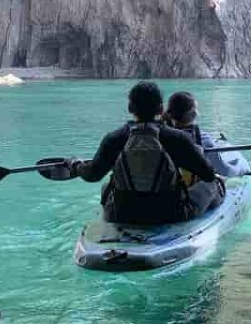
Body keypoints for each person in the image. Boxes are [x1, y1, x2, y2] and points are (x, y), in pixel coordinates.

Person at [70, 81, 218, 225]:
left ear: (130, 108)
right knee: (212, 184)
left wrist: (76, 167)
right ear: (161, 109)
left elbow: (92, 175)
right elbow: (208, 174)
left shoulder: (114, 138)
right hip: (171, 214)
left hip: (121, 214)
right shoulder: (177, 138)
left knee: (105, 187)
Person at [163, 90, 228, 216]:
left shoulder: (159, 135)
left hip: (166, 192)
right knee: (215, 182)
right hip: (185, 199)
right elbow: (220, 169)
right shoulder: (203, 139)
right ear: (193, 113)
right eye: (195, 109)